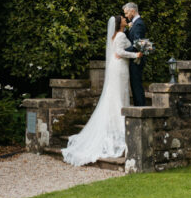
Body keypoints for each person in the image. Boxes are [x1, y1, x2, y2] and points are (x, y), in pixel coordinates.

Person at [61, 15, 143, 166]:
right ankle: (120, 125)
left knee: (118, 94)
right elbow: (120, 52)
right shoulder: (120, 35)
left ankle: (119, 121)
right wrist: (136, 54)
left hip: (118, 67)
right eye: (124, 19)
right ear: (120, 23)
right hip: (119, 68)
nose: (126, 19)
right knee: (118, 95)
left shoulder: (117, 35)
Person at [122, 2, 147, 106]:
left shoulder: (139, 24)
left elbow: (138, 45)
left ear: (133, 11)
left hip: (137, 60)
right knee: (135, 84)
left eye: (127, 13)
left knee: (136, 85)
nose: (126, 16)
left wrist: (122, 52)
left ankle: (140, 108)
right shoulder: (134, 23)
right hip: (134, 58)